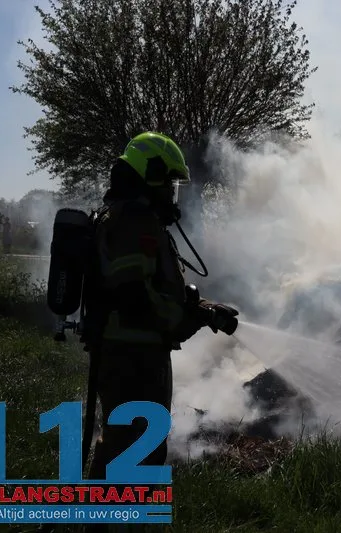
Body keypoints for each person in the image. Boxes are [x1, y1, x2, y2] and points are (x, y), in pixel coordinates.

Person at [86, 131, 239, 481]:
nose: (172, 193)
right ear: (151, 175)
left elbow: (158, 289)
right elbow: (135, 298)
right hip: (132, 358)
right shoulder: (133, 222)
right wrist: (193, 317)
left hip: (137, 354)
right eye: (169, 183)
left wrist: (206, 308)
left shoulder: (138, 220)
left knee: (130, 448)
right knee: (131, 452)